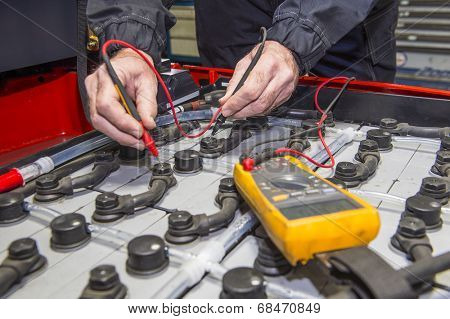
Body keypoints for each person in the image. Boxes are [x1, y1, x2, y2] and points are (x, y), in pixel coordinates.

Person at [85, 0, 399, 149]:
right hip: (230, 34)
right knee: (232, 108)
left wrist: (296, 39)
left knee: (352, 139)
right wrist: (130, 44)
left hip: (340, 38)